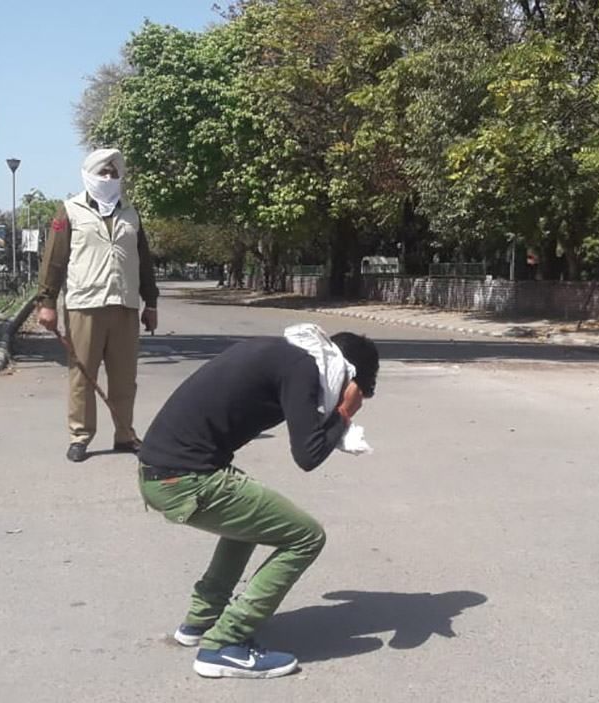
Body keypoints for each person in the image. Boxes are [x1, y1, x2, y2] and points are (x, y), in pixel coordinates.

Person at [137, 329, 380, 679]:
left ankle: (202, 620)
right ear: (348, 375)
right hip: (183, 478)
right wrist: (344, 412)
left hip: (161, 472)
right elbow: (309, 454)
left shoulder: (286, 354)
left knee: (254, 517)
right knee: (307, 537)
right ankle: (225, 643)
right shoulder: (302, 368)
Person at [36, 148, 159, 462]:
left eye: (113, 173)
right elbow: (54, 261)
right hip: (84, 305)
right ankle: (80, 436)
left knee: (124, 379)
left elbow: (144, 262)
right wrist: (47, 302)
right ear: (89, 175)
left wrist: (151, 303)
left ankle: (125, 435)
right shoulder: (70, 211)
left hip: (125, 305)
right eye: (102, 172)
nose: (108, 177)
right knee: (82, 376)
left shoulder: (131, 213)